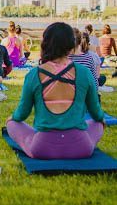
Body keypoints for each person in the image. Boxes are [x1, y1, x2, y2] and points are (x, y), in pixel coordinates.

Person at [6, 22, 105, 160]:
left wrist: (12, 119)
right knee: (96, 123)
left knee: (12, 124)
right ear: (71, 46)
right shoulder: (85, 73)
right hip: (81, 148)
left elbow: (21, 114)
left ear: (45, 44)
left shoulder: (33, 74)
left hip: (42, 149)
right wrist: (100, 120)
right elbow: (96, 113)